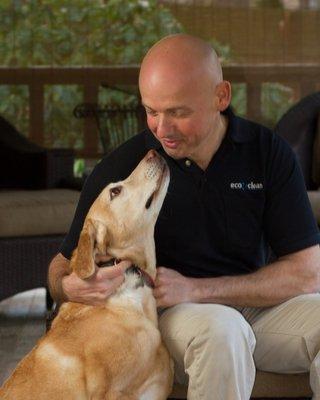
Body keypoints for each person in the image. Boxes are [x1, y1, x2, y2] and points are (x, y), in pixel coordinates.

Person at [48, 34, 320, 400]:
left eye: (178, 112)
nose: (162, 129)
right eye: (152, 111)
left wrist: (200, 288)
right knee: (222, 330)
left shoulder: (267, 153)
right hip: (172, 316)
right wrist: (69, 287)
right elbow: (60, 267)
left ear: (220, 97)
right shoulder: (125, 169)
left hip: (256, 308)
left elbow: (308, 271)